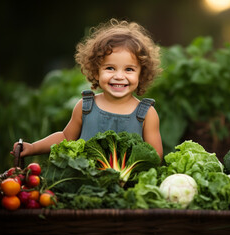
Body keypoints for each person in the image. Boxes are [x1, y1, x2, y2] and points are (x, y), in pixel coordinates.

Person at [11, 18, 163, 159]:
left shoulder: (146, 114)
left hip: (127, 185)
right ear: (96, 71)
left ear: (142, 74)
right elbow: (65, 137)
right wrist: (32, 147)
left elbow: (155, 155)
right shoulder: (85, 107)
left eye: (129, 69)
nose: (119, 76)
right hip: (85, 183)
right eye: (110, 68)